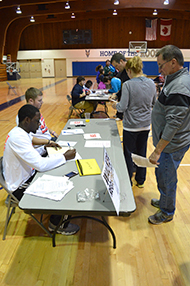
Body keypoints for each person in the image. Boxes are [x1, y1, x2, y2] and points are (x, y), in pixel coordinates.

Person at [3, 104, 80, 235]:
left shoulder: (20, 132)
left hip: (27, 176)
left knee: (59, 173)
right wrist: (64, 157)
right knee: (64, 185)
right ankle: (57, 225)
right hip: (20, 187)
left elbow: (31, 156)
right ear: (27, 120)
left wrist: (44, 148)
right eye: (36, 121)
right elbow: (40, 165)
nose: (39, 124)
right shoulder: (18, 138)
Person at [148, 45, 190, 225]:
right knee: (164, 175)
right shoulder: (175, 79)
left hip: (171, 144)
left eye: (161, 65)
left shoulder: (179, 85)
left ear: (173, 62)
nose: (159, 70)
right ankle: (165, 201)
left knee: (166, 177)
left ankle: (166, 211)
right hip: (173, 142)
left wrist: (158, 150)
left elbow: (174, 123)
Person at [111, 56, 157, 187]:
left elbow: (123, 106)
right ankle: (141, 181)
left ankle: (128, 180)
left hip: (131, 127)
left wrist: (115, 105)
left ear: (129, 70)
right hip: (145, 125)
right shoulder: (151, 83)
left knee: (129, 154)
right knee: (141, 153)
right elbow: (154, 103)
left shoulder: (128, 85)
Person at [111, 53, 130, 120]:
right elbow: (124, 89)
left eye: (116, 65)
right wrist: (117, 95)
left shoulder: (130, 71)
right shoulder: (122, 73)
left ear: (121, 61)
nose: (116, 68)